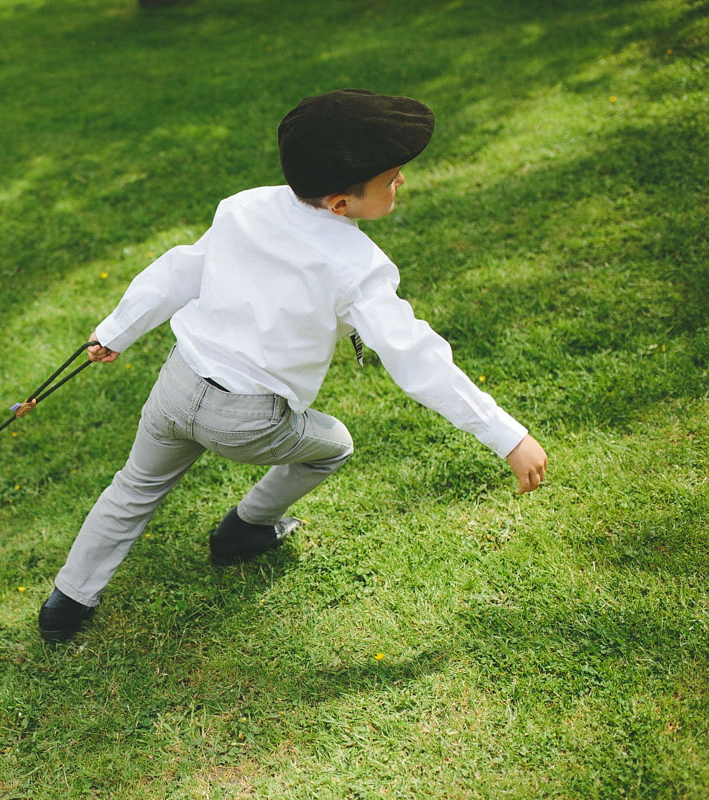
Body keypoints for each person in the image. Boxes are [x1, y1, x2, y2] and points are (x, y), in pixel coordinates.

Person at [38, 89, 548, 643]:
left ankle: (66, 602)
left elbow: (176, 271)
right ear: (339, 203)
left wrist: (116, 330)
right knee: (335, 446)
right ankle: (243, 530)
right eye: (391, 177)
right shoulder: (358, 266)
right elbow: (415, 356)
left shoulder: (244, 205)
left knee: (134, 486)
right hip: (247, 418)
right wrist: (506, 435)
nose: (400, 181)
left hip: (177, 383)